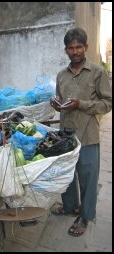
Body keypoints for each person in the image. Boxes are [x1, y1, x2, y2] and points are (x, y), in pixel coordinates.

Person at [50, 27, 112, 237]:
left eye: (78, 47)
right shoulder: (61, 75)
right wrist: (57, 104)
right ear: (65, 50)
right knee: (66, 175)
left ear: (86, 47)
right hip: (65, 134)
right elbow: (61, 100)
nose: (75, 51)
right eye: (70, 48)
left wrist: (81, 104)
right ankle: (70, 207)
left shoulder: (97, 72)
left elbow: (107, 103)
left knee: (87, 177)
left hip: (88, 134)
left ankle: (85, 216)